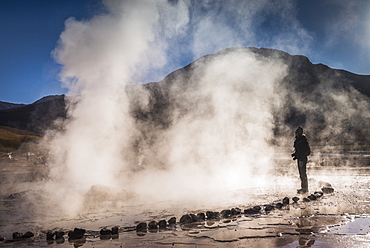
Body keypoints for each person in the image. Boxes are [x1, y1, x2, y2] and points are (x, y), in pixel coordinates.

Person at [291, 126, 311, 194]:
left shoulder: (303, 141)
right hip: (300, 159)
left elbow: (307, 151)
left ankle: (305, 188)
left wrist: (300, 156)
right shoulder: (298, 140)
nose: (295, 134)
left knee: (303, 174)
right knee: (301, 174)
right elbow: (298, 151)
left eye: (296, 133)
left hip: (302, 159)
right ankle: (303, 188)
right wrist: (295, 155)